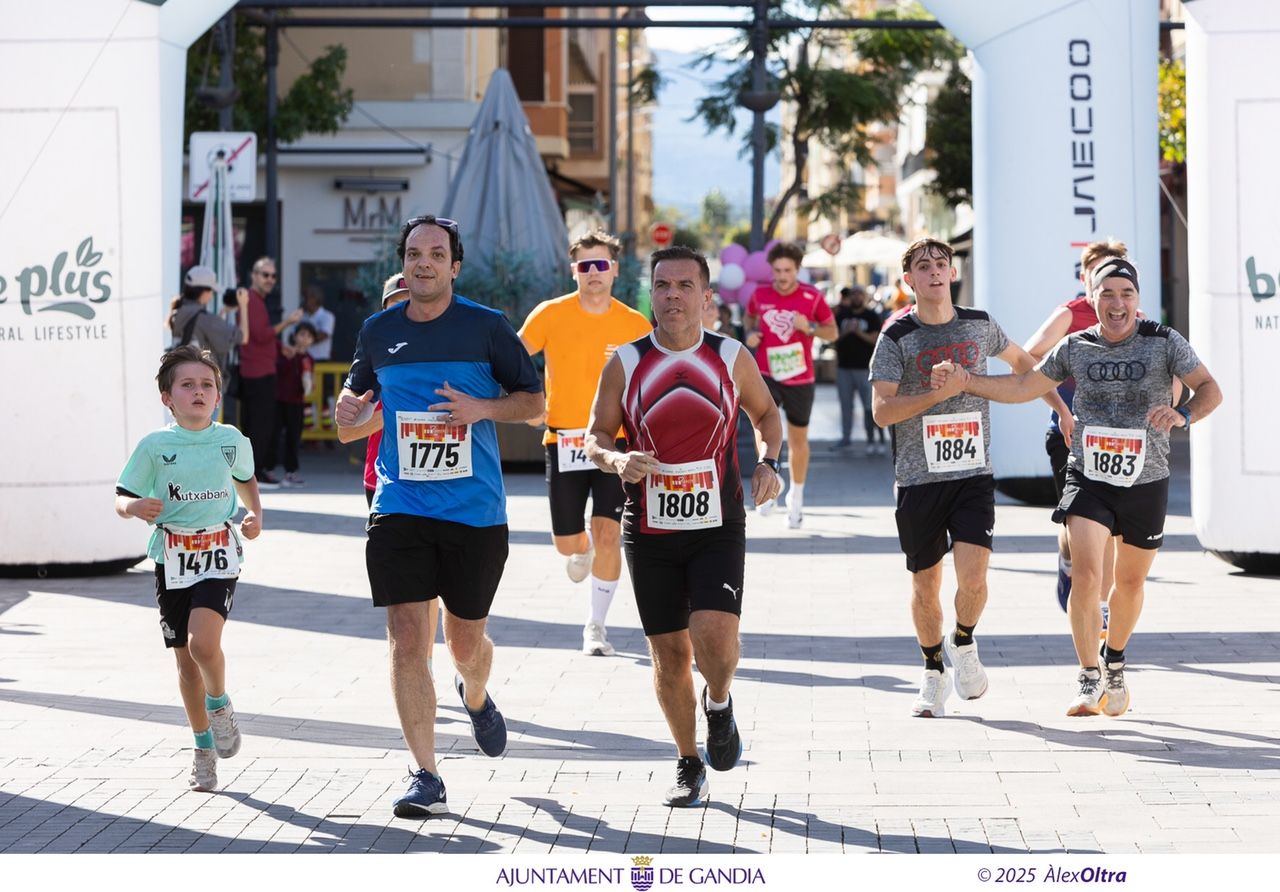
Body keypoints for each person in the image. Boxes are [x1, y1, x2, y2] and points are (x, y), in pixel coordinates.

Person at [931, 258, 1221, 717]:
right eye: (1107, 294)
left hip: (1147, 478)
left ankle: (1115, 661)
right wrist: (969, 381)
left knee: (1128, 583)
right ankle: (1088, 677)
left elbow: (1209, 389)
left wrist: (1182, 414)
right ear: (1092, 300)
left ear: (1137, 301)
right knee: (1087, 575)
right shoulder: (1076, 345)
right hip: (1089, 474)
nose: (1117, 303)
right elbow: (1025, 385)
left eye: (1126, 294)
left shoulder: (1164, 342)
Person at [335, 215, 543, 818]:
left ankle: (475, 695)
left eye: (435, 253)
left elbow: (535, 404)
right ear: (401, 263)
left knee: (464, 639)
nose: (422, 262)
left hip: (474, 513)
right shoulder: (377, 332)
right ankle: (425, 773)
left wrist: (480, 408)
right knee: (406, 638)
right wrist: (347, 410)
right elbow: (359, 415)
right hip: (399, 503)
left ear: (454, 265)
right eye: (412, 253)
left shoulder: (486, 328)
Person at [586, 245, 784, 808]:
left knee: (716, 638)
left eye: (683, 285)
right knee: (669, 654)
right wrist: (616, 460)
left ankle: (717, 702)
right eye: (662, 285)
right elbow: (594, 436)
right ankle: (687, 760)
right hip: (648, 527)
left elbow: (767, 414)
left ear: (705, 295)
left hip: (718, 520)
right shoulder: (625, 362)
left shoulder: (729, 356)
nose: (671, 295)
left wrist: (769, 462)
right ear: (651, 293)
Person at [870, 237, 1056, 718]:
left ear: (952, 273)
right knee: (925, 586)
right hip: (918, 478)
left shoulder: (979, 325)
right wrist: (938, 393)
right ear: (908, 280)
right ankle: (933, 670)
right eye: (923, 266)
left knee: (973, 578)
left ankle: (963, 642)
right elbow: (882, 412)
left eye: (941, 264)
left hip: (973, 473)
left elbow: (1023, 365)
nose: (934, 271)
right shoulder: (896, 337)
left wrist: (1060, 406)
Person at [115, 345, 263, 793]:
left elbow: (245, 477)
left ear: (218, 395)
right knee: (185, 662)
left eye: (207, 385)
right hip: (170, 557)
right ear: (167, 397)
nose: (199, 392)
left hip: (218, 552)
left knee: (203, 644)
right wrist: (134, 506)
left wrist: (255, 513)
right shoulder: (155, 446)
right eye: (187, 385)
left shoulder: (231, 439)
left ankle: (219, 705)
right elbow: (121, 496)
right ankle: (203, 749)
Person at [518, 231, 653, 657]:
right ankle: (583, 548)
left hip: (615, 444)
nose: (593, 273)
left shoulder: (634, 324)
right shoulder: (550, 314)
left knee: (610, 533)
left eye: (601, 265)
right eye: (584, 266)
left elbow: (652, 379)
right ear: (573, 270)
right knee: (569, 543)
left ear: (614, 269)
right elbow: (513, 358)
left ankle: (596, 626)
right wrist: (530, 404)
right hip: (563, 440)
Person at [1024, 239, 1142, 621]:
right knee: (1079, 532)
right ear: (1085, 277)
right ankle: (1067, 560)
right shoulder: (1069, 314)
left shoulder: (1137, 318)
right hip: (1069, 435)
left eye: (1118, 271)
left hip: (1119, 441)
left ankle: (1102, 610)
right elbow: (1027, 360)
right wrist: (1061, 408)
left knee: (1111, 530)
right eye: (1099, 271)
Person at [338, 274, 440, 676]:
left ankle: (425, 659)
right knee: (402, 585)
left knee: (431, 579)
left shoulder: (447, 352)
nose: (403, 308)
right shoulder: (374, 355)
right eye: (394, 303)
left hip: (438, 478)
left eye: (408, 300)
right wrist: (390, 410)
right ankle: (413, 660)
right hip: (382, 481)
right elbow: (347, 429)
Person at [743, 242, 837, 527]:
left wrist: (807, 327)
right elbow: (749, 318)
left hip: (799, 377)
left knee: (798, 441)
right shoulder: (760, 295)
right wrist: (750, 334)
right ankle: (769, 476)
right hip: (766, 374)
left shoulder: (812, 296)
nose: (782, 276)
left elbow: (832, 333)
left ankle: (796, 498)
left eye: (788, 270)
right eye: (777, 270)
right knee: (761, 427)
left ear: (797, 270)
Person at [237, 257, 302, 489]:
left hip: (260, 371)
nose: (270, 279)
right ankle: (255, 474)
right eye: (265, 275)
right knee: (259, 426)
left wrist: (279, 346)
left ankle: (256, 472)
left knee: (263, 425)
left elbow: (263, 338)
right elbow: (260, 335)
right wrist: (288, 322)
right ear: (254, 275)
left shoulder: (256, 301)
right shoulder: (252, 301)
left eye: (273, 276)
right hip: (256, 373)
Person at [832, 286, 887, 454]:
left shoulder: (871, 315)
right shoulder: (841, 315)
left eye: (859, 293)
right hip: (844, 368)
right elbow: (832, 338)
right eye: (853, 294)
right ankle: (846, 437)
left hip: (866, 369)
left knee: (870, 406)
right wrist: (846, 332)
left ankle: (876, 439)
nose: (856, 297)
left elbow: (877, 339)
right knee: (845, 406)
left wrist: (857, 332)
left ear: (864, 296)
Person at [169, 266, 248, 375]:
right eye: (212, 291)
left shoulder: (178, 311)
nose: (212, 296)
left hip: (183, 379)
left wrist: (223, 312)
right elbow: (243, 337)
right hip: (203, 385)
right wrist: (244, 305)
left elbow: (202, 333)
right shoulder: (205, 319)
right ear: (204, 291)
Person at [267, 321, 316, 486]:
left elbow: (309, 381)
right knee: (274, 435)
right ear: (294, 336)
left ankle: (291, 471)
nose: (305, 338)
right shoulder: (285, 353)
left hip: (297, 401)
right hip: (279, 399)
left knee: (294, 438)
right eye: (302, 334)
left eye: (309, 336)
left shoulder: (309, 359)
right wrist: (289, 358)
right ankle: (269, 468)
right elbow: (278, 371)